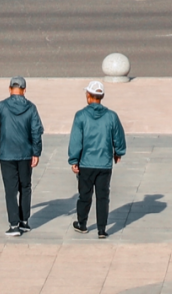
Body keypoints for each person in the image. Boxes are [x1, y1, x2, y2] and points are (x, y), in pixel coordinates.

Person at [0, 76, 44, 236]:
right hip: (25, 153)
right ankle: (24, 221)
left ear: (10, 89)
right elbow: (36, 131)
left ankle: (13, 225)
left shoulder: (1, 106)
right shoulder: (31, 108)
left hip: (7, 154)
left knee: (10, 190)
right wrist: (36, 152)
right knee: (25, 186)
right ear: (24, 90)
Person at [69, 80, 126, 238]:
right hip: (104, 164)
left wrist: (74, 160)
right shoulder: (111, 116)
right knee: (103, 197)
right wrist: (118, 152)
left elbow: (76, 140)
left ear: (88, 95)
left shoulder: (80, 116)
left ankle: (82, 224)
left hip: (86, 163)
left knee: (84, 195)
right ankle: (102, 229)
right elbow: (118, 137)